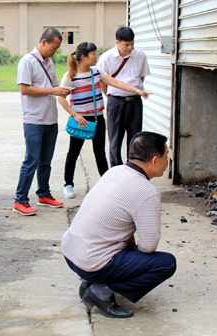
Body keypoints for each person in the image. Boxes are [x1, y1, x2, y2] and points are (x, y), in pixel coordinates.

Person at [61, 131, 176, 319]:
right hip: (92, 263)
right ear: (155, 160)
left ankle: (91, 282)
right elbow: (148, 246)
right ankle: (101, 291)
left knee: (127, 248)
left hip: (71, 252)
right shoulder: (147, 192)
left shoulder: (114, 172)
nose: (167, 161)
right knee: (165, 264)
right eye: (166, 156)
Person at [58, 42, 151, 199]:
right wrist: (75, 115)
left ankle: (107, 184)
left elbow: (116, 83)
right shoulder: (70, 76)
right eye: (94, 54)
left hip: (98, 118)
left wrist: (137, 91)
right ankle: (68, 184)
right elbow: (60, 98)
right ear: (83, 57)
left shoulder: (96, 72)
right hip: (81, 120)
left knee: (100, 153)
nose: (96, 57)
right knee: (73, 153)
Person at [12, 28, 70, 216]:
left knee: (46, 161)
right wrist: (52, 91)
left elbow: (52, 86)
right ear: (44, 42)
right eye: (54, 47)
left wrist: (61, 90)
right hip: (34, 120)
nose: (55, 51)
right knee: (31, 160)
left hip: (50, 119)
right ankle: (20, 199)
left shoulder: (49, 63)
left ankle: (43, 194)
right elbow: (25, 89)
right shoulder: (27, 61)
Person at [97, 26, 150, 167]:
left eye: (132, 44)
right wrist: (110, 96)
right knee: (115, 138)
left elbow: (141, 77)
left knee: (135, 138)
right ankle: (116, 168)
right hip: (116, 101)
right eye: (126, 44)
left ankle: (133, 168)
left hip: (135, 101)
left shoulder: (140, 55)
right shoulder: (106, 57)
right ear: (117, 42)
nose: (130, 47)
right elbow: (102, 81)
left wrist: (135, 90)